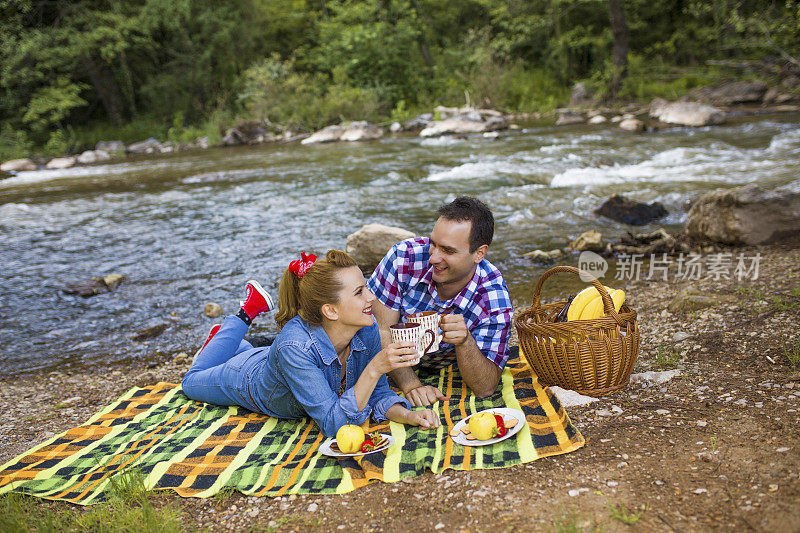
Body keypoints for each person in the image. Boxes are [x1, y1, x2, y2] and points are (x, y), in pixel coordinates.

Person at [182, 250, 440, 437]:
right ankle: (242, 317)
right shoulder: (295, 347)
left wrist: (408, 416)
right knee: (191, 381)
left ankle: (231, 343)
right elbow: (334, 424)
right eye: (360, 292)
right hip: (243, 378)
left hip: (274, 358)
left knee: (251, 351)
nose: (372, 297)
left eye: (367, 287)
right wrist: (374, 368)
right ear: (330, 311)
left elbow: (377, 393)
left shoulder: (365, 327)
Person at [367, 197, 513, 406]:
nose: (434, 257)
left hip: (445, 364)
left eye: (448, 250)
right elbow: (380, 330)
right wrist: (411, 385)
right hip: (391, 358)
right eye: (433, 244)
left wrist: (465, 342)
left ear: (479, 253)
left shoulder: (492, 297)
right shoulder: (403, 257)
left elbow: (485, 387)